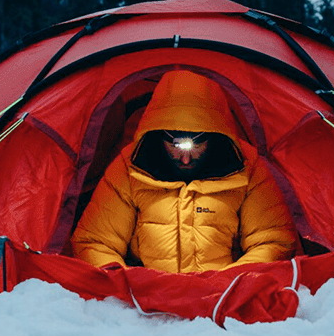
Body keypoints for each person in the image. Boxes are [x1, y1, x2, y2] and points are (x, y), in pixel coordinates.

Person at [71, 69, 298, 273]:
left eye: (196, 145)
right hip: (146, 301)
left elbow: (272, 241)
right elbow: (95, 242)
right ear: (159, 136)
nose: (186, 157)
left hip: (223, 296)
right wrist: (131, 283)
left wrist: (229, 283)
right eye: (175, 145)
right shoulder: (129, 165)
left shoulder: (247, 167)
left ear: (214, 135)